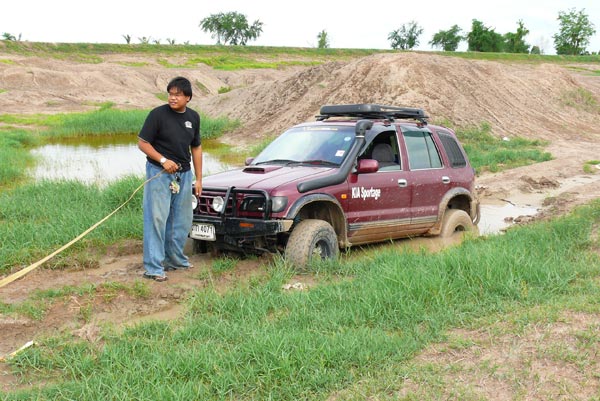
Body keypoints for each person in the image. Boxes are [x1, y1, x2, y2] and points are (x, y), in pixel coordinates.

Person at [137, 76, 202, 282]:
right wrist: (163, 160)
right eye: (170, 94)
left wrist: (199, 178)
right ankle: (153, 267)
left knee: (181, 220)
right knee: (156, 218)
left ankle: (175, 260)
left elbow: (196, 147)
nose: (173, 98)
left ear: (188, 97)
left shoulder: (193, 117)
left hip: (184, 175)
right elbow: (143, 143)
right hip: (159, 173)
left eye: (178, 95)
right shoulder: (157, 115)